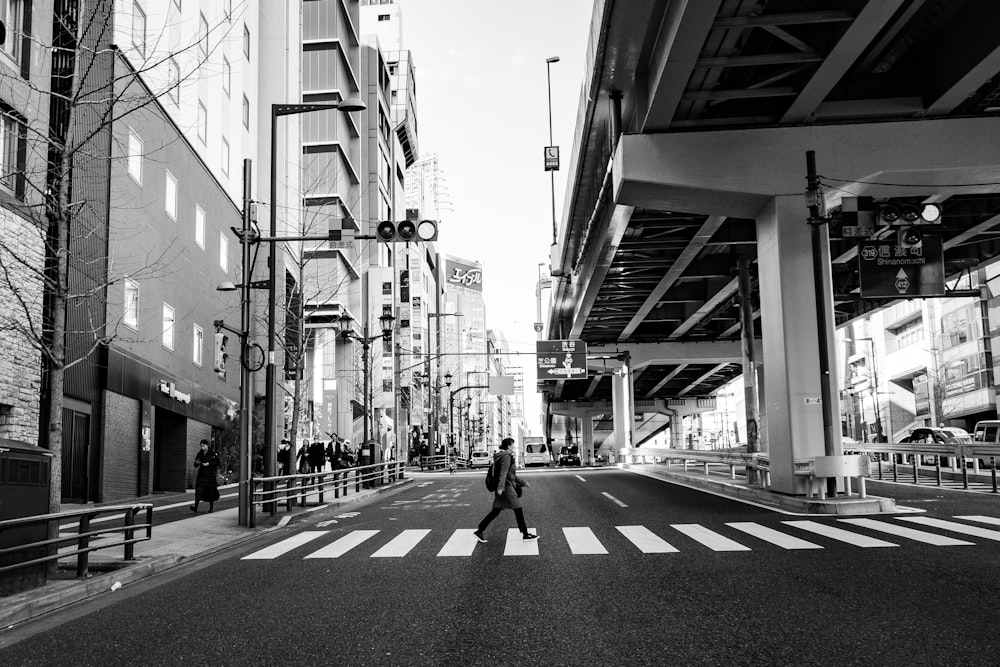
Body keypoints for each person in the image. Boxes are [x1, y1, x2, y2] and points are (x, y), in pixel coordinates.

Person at [473, 438, 537, 543]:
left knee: (496, 511)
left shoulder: (502, 456)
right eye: (512, 445)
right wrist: (500, 488)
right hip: (506, 487)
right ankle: (525, 534)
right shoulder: (506, 457)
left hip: (503, 486)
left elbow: (509, 474)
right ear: (508, 446)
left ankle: (480, 530)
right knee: (518, 508)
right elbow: (503, 473)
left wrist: (522, 482)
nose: (513, 447)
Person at [191, 439, 220, 513]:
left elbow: (217, 462)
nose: (202, 448)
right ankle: (196, 507)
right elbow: (195, 464)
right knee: (198, 490)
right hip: (202, 475)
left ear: (207, 445)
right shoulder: (200, 453)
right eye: (201, 446)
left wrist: (209, 464)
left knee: (210, 491)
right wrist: (197, 463)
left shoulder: (213, 453)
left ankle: (211, 507)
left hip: (210, 475)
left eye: (203, 446)